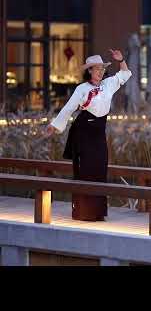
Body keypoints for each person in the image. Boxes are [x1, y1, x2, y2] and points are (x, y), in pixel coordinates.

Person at [45, 50, 132, 221]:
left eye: (101, 69)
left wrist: (121, 59)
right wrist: (54, 126)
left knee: (100, 168)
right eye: (96, 69)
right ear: (89, 71)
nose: (100, 72)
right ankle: (83, 211)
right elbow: (69, 108)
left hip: (99, 132)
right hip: (83, 131)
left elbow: (125, 74)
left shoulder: (108, 84)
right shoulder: (82, 88)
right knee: (85, 170)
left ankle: (97, 212)